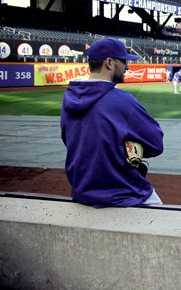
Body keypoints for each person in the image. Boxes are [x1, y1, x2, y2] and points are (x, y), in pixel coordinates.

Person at [60, 38, 165, 208]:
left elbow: (68, 140)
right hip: (124, 193)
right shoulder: (122, 100)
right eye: (123, 61)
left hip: (82, 192)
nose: (127, 67)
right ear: (109, 62)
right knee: (169, 220)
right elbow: (156, 144)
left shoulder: (68, 99)